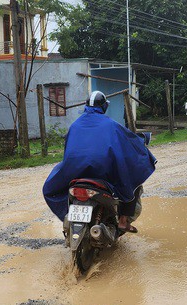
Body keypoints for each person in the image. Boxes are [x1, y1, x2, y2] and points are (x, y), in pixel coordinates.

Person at [43, 91, 156, 233]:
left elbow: (68, 152)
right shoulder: (111, 125)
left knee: (51, 185)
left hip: (75, 171)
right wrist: (142, 140)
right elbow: (128, 140)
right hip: (103, 173)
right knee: (133, 181)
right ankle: (123, 221)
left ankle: (68, 215)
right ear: (104, 107)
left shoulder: (75, 125)